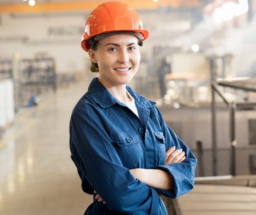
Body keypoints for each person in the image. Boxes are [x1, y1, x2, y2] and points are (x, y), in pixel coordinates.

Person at [69, 2, 197, 215]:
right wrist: (162, 178)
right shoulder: (88, 115)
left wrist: (139, 174)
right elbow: (120, 196)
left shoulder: (147, 109)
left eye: (131, 47)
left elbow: (188, 170)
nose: (124, 58)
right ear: (93, 55)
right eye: (112, 48)